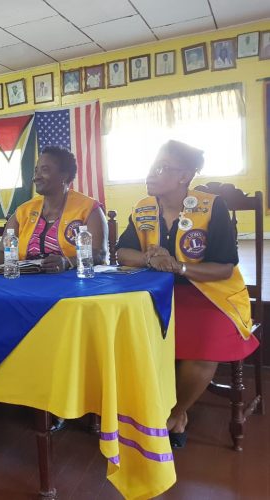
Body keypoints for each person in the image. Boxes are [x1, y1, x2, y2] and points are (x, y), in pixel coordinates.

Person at [116, 140, 258, 448]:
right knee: (128, 332)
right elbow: (123, 252)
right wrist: (151, 259)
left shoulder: (211, 206)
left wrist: (178, 267)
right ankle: (158, 410)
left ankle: (174, 414)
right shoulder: (142, 208)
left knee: (204, 346)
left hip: (212, 295)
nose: (151, 174)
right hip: (159, 293)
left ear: (184, 176)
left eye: (161, 168)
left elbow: (223, 268)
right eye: (152, 167)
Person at [0, 146, 107, 275]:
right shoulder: (23, 211)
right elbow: (1, 251)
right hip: (25, 282)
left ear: (64, 175)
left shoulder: (88, 208)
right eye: (36, 170)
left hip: (73, 282)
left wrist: (68, 262)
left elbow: (99, 253)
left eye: (44, 170)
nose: (36, 177)